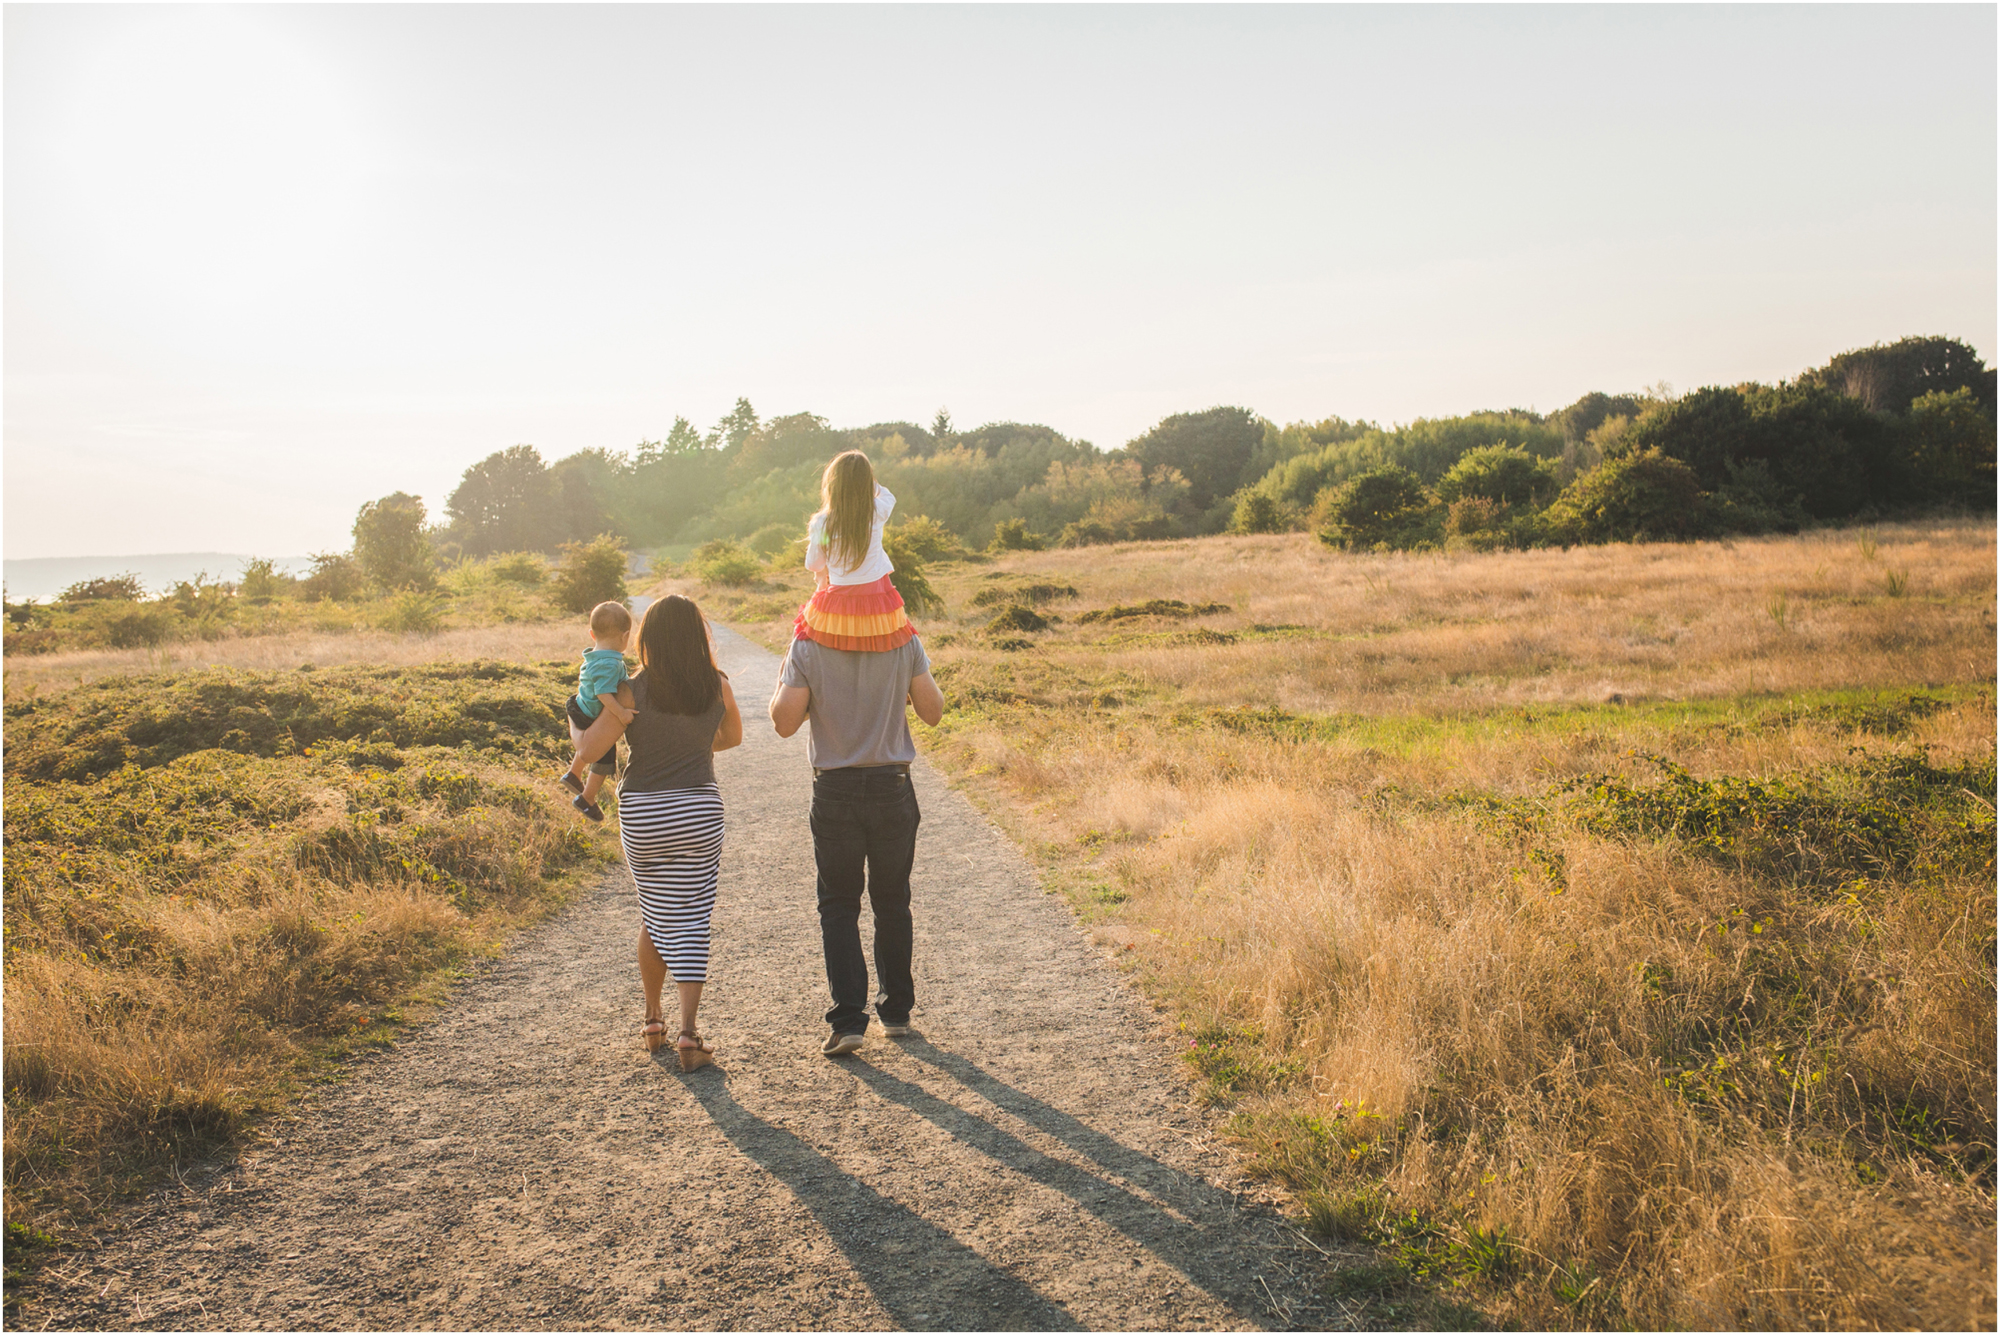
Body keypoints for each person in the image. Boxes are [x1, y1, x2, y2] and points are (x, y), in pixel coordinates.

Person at [769, 593, 945, 1056]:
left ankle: (848, 1020)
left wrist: (789, 673)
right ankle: (897, 1012)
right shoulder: (904, 640)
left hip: (835, 788)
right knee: (892, 900)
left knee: (839, 904)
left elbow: (784, 723)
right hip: (892, 784)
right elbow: (933, 711)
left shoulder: (806, 646)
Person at [593, 595, 743, 1071]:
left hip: (642, 811)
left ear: (648, 639)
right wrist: (698, 740)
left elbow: (597, 741)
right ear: (699, 637)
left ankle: (653, 1019)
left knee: (654, 911)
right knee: (692, 914)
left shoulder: (630, 689)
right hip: (698, 807)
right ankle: (688, 1032)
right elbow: (732, 737)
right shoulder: (717, 685)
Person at [793, 450, 916, 653]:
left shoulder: (822, 522)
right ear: (868, 483)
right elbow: (888, 496)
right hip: (878, 599)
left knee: (799, 642)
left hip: (838, 600)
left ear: (832, 485)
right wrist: (867, 482)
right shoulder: (876, 511)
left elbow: (814, 564)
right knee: (908, 649)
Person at [557, 601, 635, 822]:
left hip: (582, 707)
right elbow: (603, 693)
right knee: (604, 760)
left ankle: (573, 775)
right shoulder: (609, 662)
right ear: (625, 636)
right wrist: (621, 713)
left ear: (592, 634)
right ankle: (587, 798)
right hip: (589, 713)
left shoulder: (595, 655)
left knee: (598, 752)